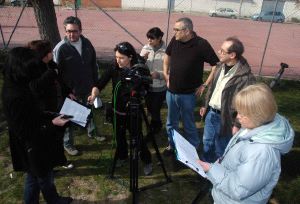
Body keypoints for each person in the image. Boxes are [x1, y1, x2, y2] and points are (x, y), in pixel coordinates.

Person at [197, 83, 294, 204]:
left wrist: (212, 170)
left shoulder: (261, 154)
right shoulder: (254, 127)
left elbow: (239, 189)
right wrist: (218, 165)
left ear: (257, 115)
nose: (237, 117)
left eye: (242, 113)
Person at [2, 47, 73, 204]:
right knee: (43, 175)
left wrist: (50, 115)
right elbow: (24, 130)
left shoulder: (17, 84)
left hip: (35, 139)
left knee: (34, 175)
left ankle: (48, 199)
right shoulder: (15, 95)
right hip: (32, 144)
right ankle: (52, 200)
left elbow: (32, 113)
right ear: (21, 69)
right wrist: (52, 123)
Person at [88, 42, 153, 175]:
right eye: (116, 57)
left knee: (137, 137)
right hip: (117, 110)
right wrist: (94, 94)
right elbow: (100, 83)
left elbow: (146, 88)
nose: (118, 60)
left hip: (133, 111)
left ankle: (146, 160)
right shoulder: (113, 67)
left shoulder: (138, 69)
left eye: (121, 58)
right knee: (119, 137)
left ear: (130, 57)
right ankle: (123, 156)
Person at [163, 17, 219, 153]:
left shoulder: (201, 44)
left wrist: (205, 85)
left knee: (188, 123)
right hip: (171, 91)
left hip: (188, 94)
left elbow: (216, 65)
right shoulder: (175, 40)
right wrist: (166, 73)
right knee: (171, 122)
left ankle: (192, 147)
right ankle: (172, 144)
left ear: (187, 31)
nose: (174, 32)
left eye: (177, 30)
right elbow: (167, 55)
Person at [53, 16, 105, 156]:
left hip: (87, 86)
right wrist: (65, 91)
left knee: (89, 111)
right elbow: (56, 73)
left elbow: (93, 65)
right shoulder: (61, 48)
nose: (72, 34)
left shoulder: (87, 43)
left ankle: (92, 132)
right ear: (65, 31)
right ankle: (67, 143)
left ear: (81, 30)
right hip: (70, 91)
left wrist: (95, 84)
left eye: (75, 31)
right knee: (67, 117)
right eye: (68, 31)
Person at [199, 37, 256, 163]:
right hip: (211, 113)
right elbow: (213, 89)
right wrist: (205, 105)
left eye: (222, 51)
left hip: (226, 119)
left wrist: (237, 124)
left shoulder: (246, 78)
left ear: (232, 55)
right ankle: (206, 170)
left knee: (221, 149)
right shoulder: (220, 67)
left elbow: (246, 105)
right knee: (207, 143)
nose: (219, 52)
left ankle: (219, 178)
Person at [27, 40, 74, 169]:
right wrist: (50, 74)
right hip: (44, 109)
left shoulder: (52, 65)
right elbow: (34, 87)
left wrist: (68, 91)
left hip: (58, 104)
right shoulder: (33, 68)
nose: (52, 53)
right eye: (49, 52)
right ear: (44, 54)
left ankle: (60, 160)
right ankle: (48, 164)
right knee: (46, 138)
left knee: (58, 136)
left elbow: (61, 81)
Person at [140, 27, 167, 133]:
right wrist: (143, 60)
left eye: (152, 38)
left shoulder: (167, 51)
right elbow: (139, 66)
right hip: (147, 85)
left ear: (159, 38)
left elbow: (170, 72)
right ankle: (155, 125)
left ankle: (155, 126)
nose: (149, 41)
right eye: (148, 38)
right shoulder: (146, 48)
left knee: (155, 109)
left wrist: (159, 75)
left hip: (160, 87)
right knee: (149, 107)